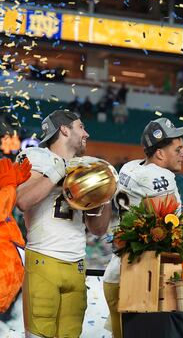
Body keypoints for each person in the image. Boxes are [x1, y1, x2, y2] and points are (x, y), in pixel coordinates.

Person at [15, 110, 112, 338]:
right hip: (43, 258)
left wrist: (105, 194)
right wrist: (59, 170)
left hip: (77, 264)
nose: (86, 133)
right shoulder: (35, 156)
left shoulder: (88, 165)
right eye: (81, 127)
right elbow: (22, 200)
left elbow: (98, 230)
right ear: (64, 129)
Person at [103, 117, 183, 338]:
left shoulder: (131, 166)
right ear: (159, 153)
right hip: (140, 280)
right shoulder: (160, 178)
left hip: (117, 272)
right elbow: (167, 233)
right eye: (178, 148)